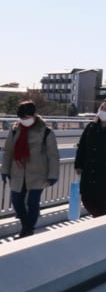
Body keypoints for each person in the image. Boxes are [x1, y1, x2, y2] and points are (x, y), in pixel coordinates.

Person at [2, 101, 60, 238]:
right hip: (17, 173)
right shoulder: (15, 129)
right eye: (22, 118)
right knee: (16, 201)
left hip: (38, 174)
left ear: (34, 115)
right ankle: (27, 227)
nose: (24, 121)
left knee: (33, 202)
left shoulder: (46, 132)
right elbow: (8, 151)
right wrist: (5, 170)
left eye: (27, 117)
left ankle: (27, 230)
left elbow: (53, 155)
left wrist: (53, 175)